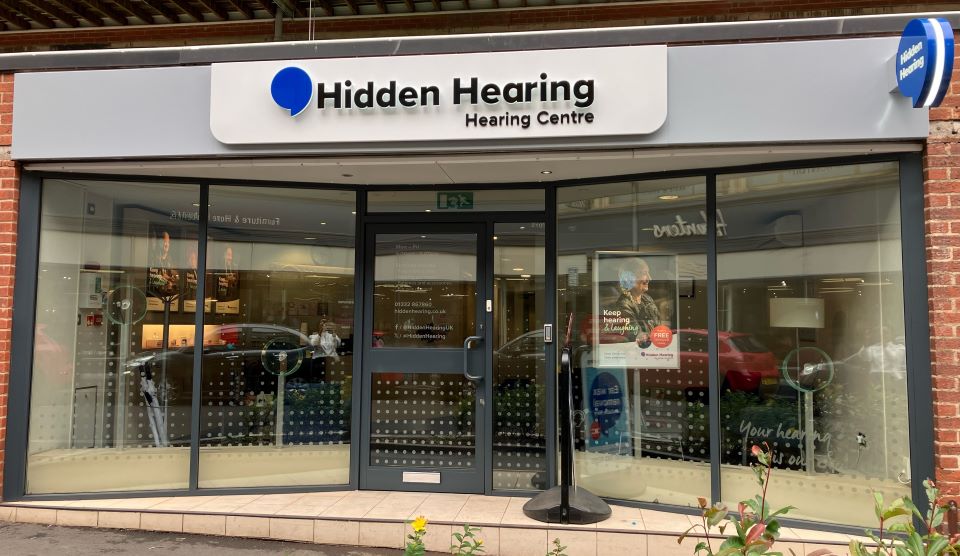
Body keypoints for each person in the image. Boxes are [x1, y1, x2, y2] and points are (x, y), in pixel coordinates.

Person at [614, 258, 662, 349]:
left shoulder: (648, 299)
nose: (649, 278)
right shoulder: (623, 306)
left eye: (648, 273)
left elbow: (658, 330)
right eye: (644, 273)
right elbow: (639, 340)